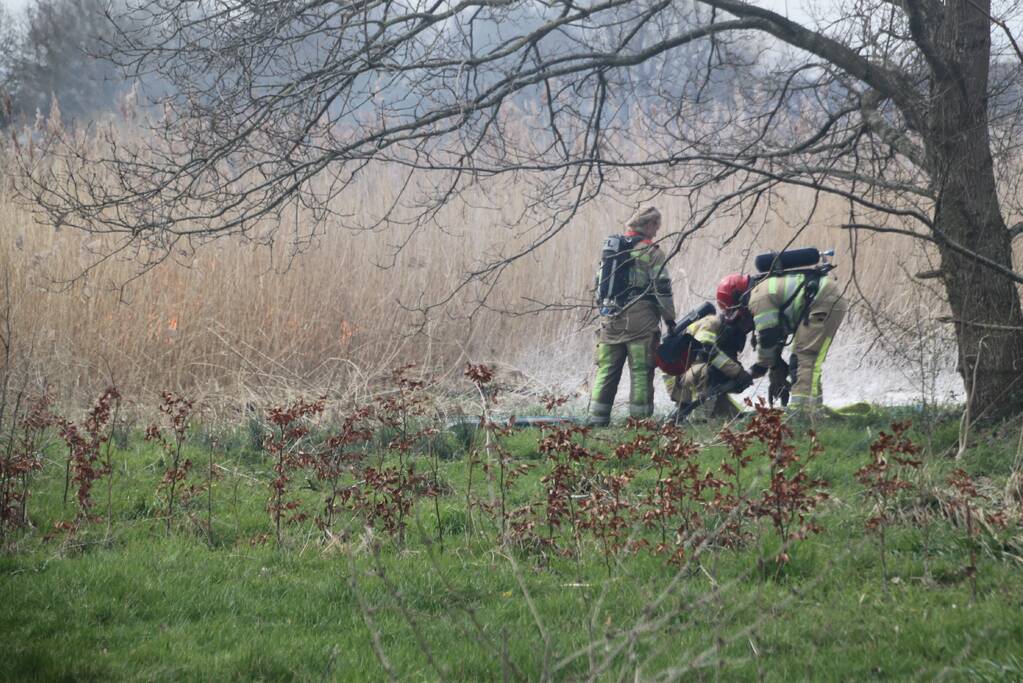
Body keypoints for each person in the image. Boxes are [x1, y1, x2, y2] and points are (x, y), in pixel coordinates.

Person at [587, 207, 676, 426]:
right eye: (656, 227)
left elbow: (598, 286)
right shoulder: (652, 252)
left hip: (610, 320)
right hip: (641, 323)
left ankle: (596, 420)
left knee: (606, 371)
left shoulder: (611, 251)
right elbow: (662, 288)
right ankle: (640, 423)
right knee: (640, 372)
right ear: (648, 225)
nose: (656, 232)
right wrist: (670, 319)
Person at [716, 267, 846, 412]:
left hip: (824, 301)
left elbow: (768, 337)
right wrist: (776, 376)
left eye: (734, 311)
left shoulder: (758, 298)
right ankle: (814, 410)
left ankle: (801, 412)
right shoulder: (761, 290)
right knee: (806, 361)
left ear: (738, 297)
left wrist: (757, 368)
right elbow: (775, 340)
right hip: (825, 300)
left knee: (805, 358)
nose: (739, 318)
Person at [665, 308, 753, 420]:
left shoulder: (731, 335)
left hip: (697, 376)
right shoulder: (710, 323)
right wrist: (737, 372)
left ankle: (698, 414)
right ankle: (697, 418)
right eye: (747, 322)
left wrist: (739, 381)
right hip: (679, 377)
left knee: (736, 418)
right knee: (711, 371)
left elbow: (726, 367)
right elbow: (706, 350)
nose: (748, 327)